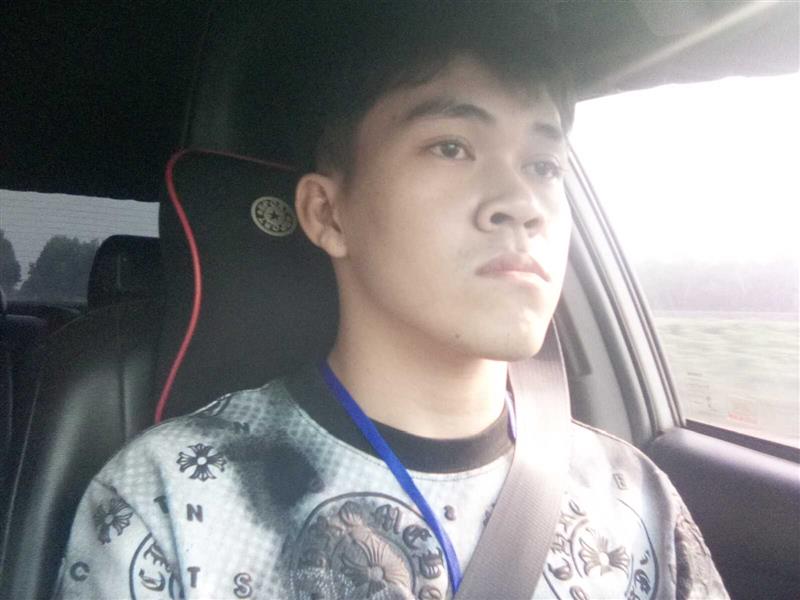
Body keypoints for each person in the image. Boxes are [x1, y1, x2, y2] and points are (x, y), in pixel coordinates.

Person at [56, 4, 728, 599]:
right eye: (452, 147)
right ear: (328, 214)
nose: (521, 203)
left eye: (544, 166)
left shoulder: (634, 502)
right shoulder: (167, 501)